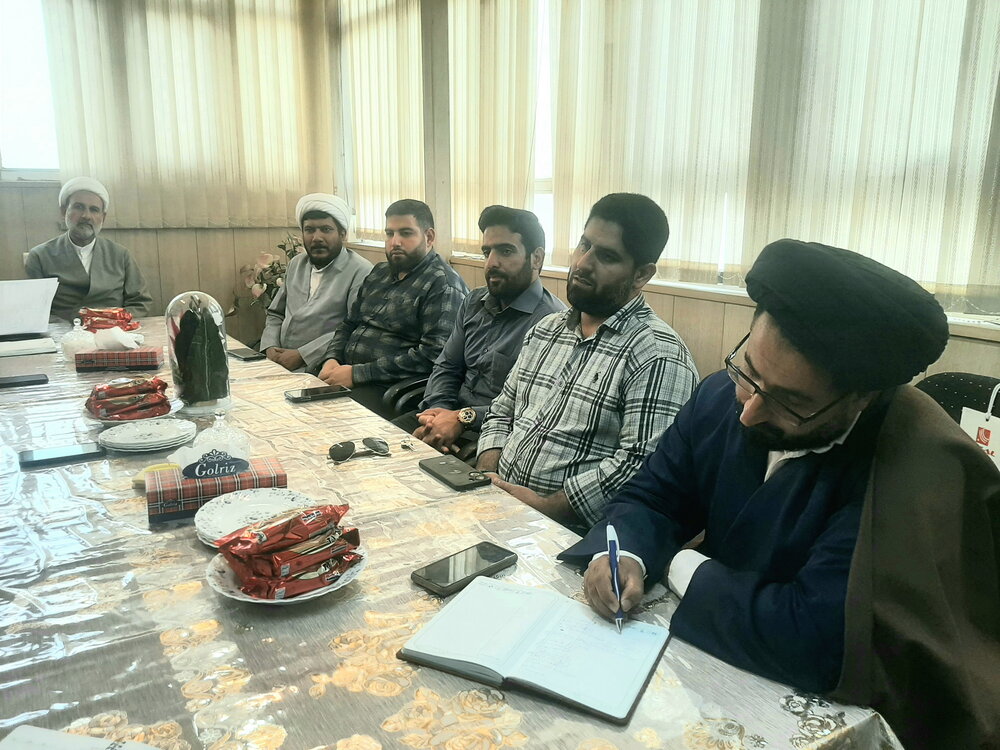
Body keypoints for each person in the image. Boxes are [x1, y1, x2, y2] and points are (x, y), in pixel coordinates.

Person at [562, 239, 1000, 750]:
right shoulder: (724, 395)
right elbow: (654, 495)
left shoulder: (914, 468)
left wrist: (679, 562)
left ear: (862, 397)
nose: (749, 412)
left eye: (791, 402)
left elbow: (817, 638)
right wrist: (629, 553)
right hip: (725, 650)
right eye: (749, 370)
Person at [476, 193, 699, 530]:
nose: (582, 263)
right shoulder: (547, 330)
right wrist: (488, 477)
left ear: (641, 274)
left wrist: (546, 508)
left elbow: (639, 465)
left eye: (606, 256)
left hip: (571, 532)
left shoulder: (658, 355)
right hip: (496, 504)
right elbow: (501, 410)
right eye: (584, 245)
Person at [392, 205, 565, 455]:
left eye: (505, 251)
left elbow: (533, 410)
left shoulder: (553, 324)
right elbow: (447, 367)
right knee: (370, 455)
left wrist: (462, 419)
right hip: (443, 419)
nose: (491, 263)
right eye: (487, 252)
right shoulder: (474, 302)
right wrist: (438, 414)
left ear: (536, 258)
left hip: (494, 438)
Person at [317, 199, 468, 418]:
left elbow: (433, 356)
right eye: (389, 234)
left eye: (406, 233)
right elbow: (349, 324)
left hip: (385, 387)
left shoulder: (442, 285)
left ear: (429, 237)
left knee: (322, 417)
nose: (395, 242)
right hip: (344, 372)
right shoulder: (379, 273)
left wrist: (358, 374)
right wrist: (331, 358)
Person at [259, 193, 373, 372]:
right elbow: (275, 313)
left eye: (326, 229)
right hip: (277, 361)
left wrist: (303, 355)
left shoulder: (361, 271)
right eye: (310, 230)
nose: (317, 238)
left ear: (342, 234)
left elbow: (356, 329)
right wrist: (270, 346)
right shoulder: (297, 264)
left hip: (321, 366)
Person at [25, 177, 152, 321]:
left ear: (103, 217)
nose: (86, 216)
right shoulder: (40, 256)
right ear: (64, 211)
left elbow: (140, 303)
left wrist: (115, 321)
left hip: (114, 330)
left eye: (94, 210)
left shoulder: (120, 255)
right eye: (79, 207)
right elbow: (35, 310)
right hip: (64, 332)